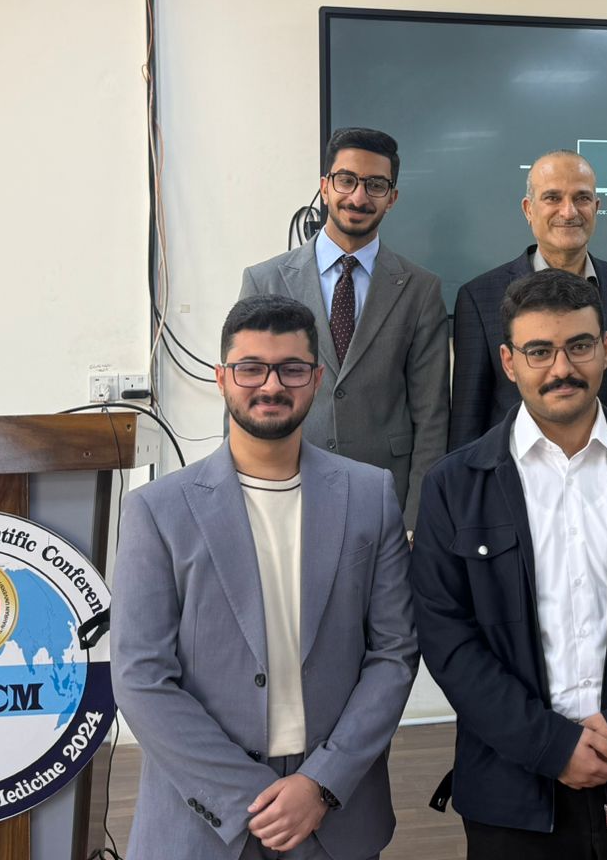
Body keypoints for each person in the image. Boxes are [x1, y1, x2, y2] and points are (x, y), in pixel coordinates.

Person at [412, 269, 607, 859]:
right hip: (513, 794)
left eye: (579, 346)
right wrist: (550, 745)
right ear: (509, 362)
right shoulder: (453, 486)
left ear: (606, 349)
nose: (562, 368)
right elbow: (446, 637)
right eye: (539, 351)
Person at [112, 294, 418, 860]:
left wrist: (321, 783)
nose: (271, 385)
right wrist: (245, 797)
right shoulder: (158, 510)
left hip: (334, 812)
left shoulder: (370, 495)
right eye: (251, 368)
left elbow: (394, 653)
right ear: (221, 377)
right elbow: (141, 676)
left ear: (317, 378)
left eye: (292, 369)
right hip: (202, 817)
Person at [240, 126, 449, 526]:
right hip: (284, 490)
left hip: (384, 497)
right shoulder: (265, 281)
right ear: (324, 187)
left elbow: (432, 418)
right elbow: (242, 399)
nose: (358, 197)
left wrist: (416, 521)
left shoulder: (420, 290)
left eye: (375, 185)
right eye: (347, 180)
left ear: (392, 198)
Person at [450, 148, 607, 449]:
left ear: (596, 207)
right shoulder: (479, 297)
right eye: (553, 198)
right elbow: (467, 423)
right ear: (528, 209)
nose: (569, 211)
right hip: (513, 472)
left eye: (582, 198)